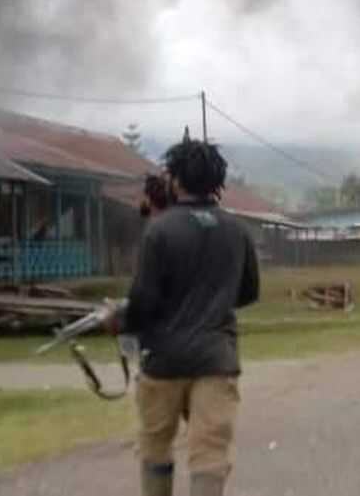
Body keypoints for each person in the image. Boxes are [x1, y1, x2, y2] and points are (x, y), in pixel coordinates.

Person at [116, 138, 260, 496]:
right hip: (216, 359)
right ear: (217, 182)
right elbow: (249, 293)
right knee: (210, 454)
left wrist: (121, 322)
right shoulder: (238, 231)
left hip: (163, 360)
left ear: (176, 180)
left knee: (155, 447)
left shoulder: (159, 230)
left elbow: (143, 300)